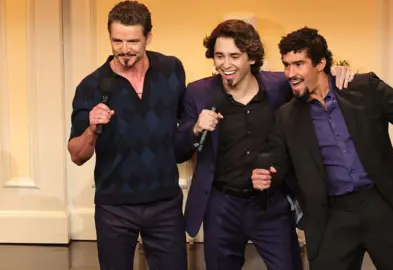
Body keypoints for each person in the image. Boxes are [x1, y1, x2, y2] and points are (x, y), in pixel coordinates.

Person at [251, 27, 393, 270]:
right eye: (287, 65)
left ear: (320, 63)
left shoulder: (365, 88)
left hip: (383, 205)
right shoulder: (287, 116)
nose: (290, 73)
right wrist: (266, 170)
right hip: (331, 216)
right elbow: (276, 156)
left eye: (299, 64)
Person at [175, 20, 354, 270]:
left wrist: (339, 72)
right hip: (221, 205)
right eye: (219, 56)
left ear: (251, 57)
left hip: (271, 203)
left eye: (235, 56)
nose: (225, 65)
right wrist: (195, 128)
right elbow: (178, 150)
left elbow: (314, 79)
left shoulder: (279, 86)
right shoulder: (198, 92)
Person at [67, 1, 187, 269]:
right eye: (117, 41)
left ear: (148, 38)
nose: (124, 50)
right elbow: (77, 155)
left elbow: (183, 124)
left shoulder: (172, 70)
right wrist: (92, 128)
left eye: (133, 41)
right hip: (114, 207)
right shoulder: (91, 85)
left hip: (165, 202)